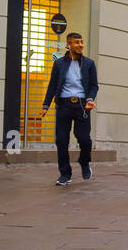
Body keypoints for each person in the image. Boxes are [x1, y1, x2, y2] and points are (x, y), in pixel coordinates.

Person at [40, 32, 99, 186]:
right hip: (64, 105)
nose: (80, 45)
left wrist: (90, 99)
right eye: (76, 42)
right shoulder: (59, 64)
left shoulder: (89, 64)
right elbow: (53, 85)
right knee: (61, 140)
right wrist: (45, 105)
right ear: (68, 45)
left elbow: (94, 85)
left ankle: (84, 162)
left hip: (82, 105)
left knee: (85, 139)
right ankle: (65, 174)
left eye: (81, 42)